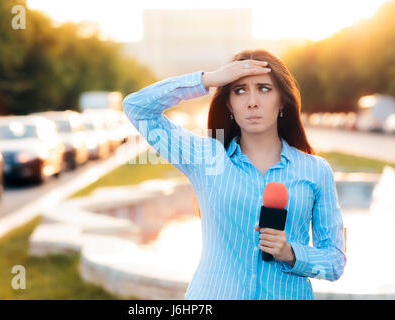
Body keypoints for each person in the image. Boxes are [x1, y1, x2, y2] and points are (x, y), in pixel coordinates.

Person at [122, 48, 346, 300]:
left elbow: (334, 263)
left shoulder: (316, 171)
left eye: (264, 88)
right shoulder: (206, 158)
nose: (252, 101)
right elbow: (137, 107)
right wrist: (208, 79)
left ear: (282, 100)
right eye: (240, 90)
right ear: (229, 104)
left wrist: (292, 253)